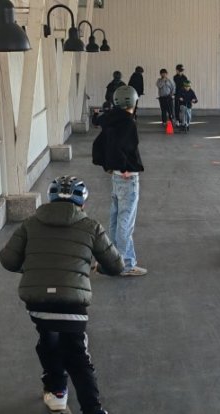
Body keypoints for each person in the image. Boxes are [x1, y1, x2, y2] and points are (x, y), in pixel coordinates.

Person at [0, 175, 124, 414]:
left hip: (38, 303)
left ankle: (56, 391)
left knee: (48, 337)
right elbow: (116, 266)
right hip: (71, 304)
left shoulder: (30, 224)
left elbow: (8, 260)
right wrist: (97, 267)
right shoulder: (91, 226)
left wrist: (32, 268)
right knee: (77, 356)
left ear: (51, 199)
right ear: (82, 203)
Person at [92, 85, 148, 275]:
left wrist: (109, 166)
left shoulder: (110, 119)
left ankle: (113, 260)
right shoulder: (128, 123)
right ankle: (124, 265)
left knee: (116, 221)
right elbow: (121, 147)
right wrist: (123, 167)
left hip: (116, 177)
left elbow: (100, 143)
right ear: (133, 102)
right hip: (127, 177)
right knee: (126, 222)